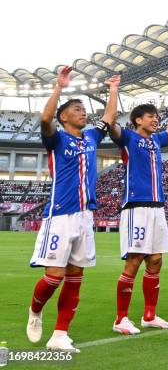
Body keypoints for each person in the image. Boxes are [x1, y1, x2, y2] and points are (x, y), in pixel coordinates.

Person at [27, 67, 119, 352]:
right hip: (59, 215)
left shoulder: (91, 138)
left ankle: (59, 335)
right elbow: (45, 118)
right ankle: (35, 312)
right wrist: (59, 86)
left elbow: (108, 118)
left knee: (76, 277)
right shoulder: (55, 139)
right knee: (54, 276)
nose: (83, 113)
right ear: (64, 116)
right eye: (77, 109)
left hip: (85, 216)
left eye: (83, 109)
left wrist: (113, 89)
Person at [108, 97, 168, 334]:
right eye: (151, 116)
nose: (155, 120)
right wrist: (113, 90)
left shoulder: (155, 140)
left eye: (156, 117)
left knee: (155, 260)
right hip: (136, 206)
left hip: (157, 207)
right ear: (137, 120)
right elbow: (110, 122)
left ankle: (149, 315)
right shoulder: (129, 138)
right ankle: (120, 319)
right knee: (134, 260)